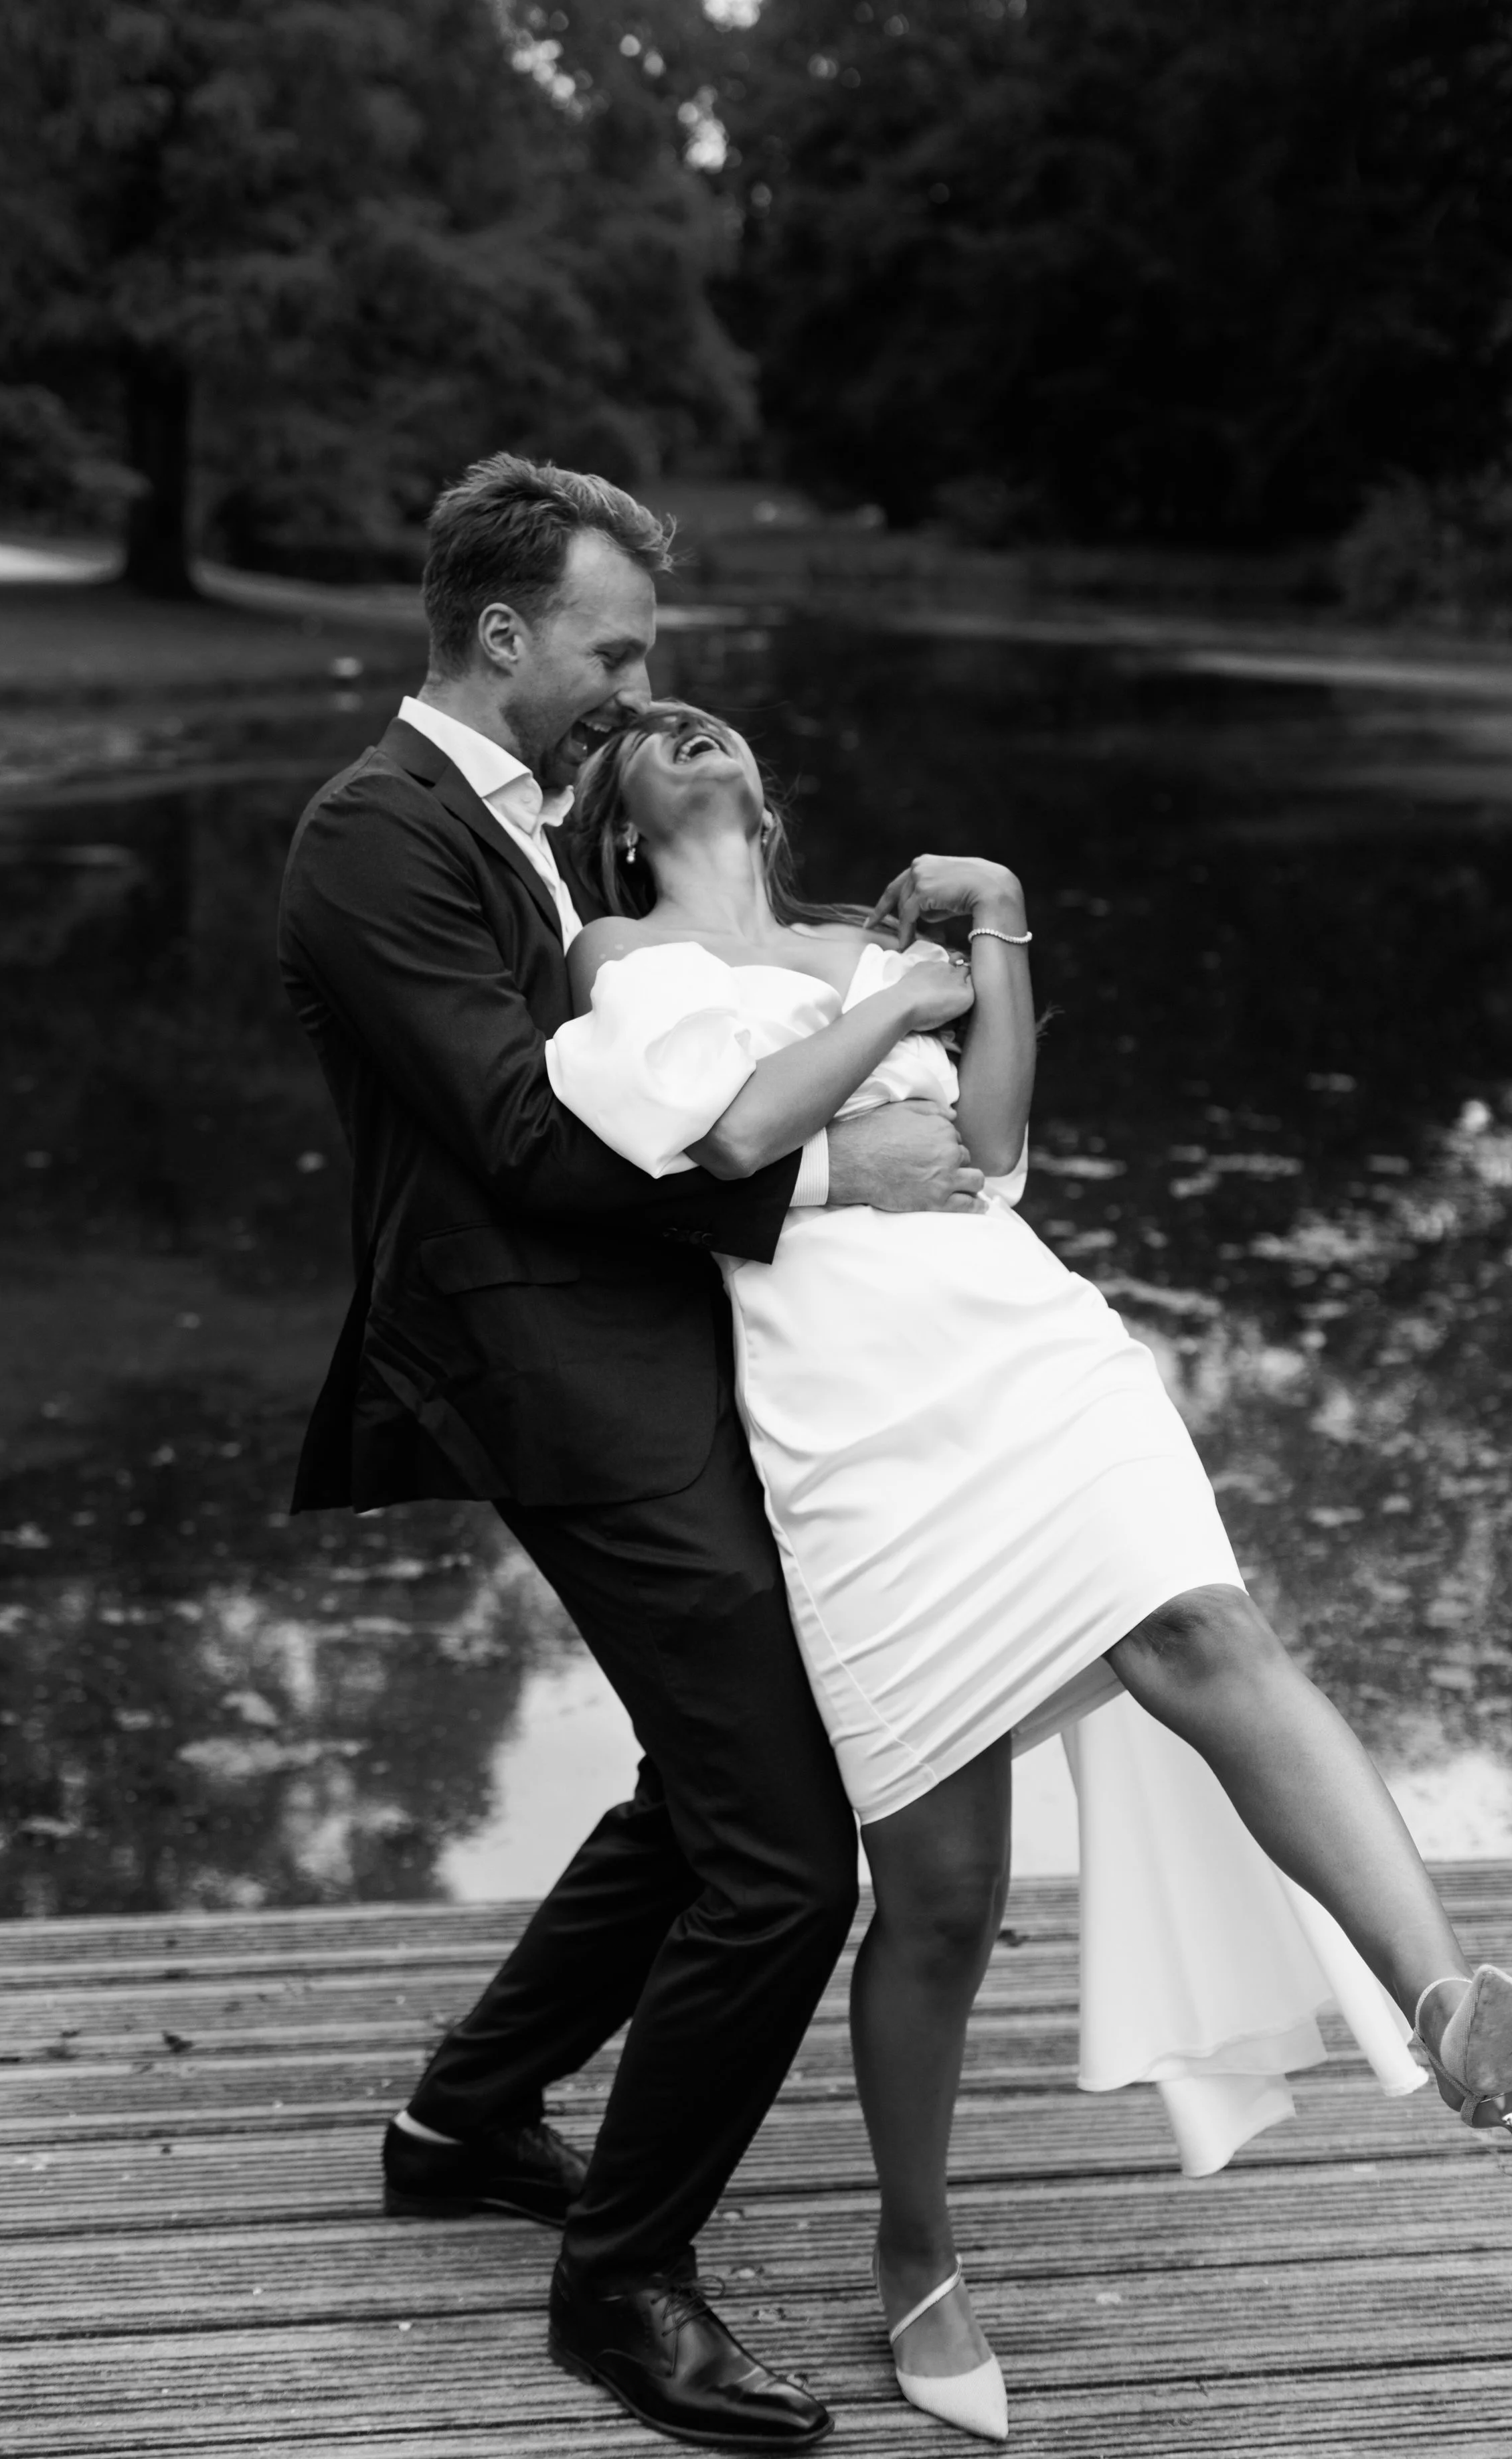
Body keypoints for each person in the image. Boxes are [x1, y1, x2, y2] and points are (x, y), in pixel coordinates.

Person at [545, 699, 1512, 2444]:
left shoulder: (854, 941)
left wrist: (997, 919)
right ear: (621, 821)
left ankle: (1440, 1993)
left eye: (704, 711)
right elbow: (717, 1142)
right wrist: (896, 1011)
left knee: (1205, 1627)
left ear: (767, 792)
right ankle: (915, 2246)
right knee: (940, 1895)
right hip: (851, 1426)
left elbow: (996, 1151)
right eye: (643, 723)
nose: (682, 722)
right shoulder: (613, 953)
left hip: (1025, 1347)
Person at [278, 454, 988, 2454]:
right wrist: (836, 1156)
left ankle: (462, 2115)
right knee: (779, 1855)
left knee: (714, 1780)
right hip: (544, 1374)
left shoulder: (519, 824)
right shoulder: (372, 836)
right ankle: (620, 2283)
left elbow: (656, 1050)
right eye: (614, 643)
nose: (632, 676)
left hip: (657, 1346)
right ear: (500, 631)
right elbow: (517, 1137)